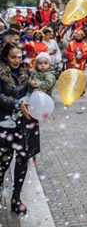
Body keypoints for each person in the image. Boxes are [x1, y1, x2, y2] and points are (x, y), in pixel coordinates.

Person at [0, 42, 40, 215]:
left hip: (25, 123)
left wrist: (36, 89)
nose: (17, 60)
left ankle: (16, 198)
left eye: (19, 57)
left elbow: (32, 92)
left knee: (23, 160)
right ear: (5, 57)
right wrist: (16, 103)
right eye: (12, 57)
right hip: (5, 123)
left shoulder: (27, 72)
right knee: (4, 161)